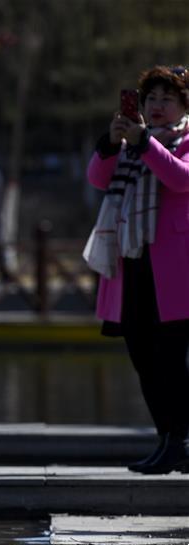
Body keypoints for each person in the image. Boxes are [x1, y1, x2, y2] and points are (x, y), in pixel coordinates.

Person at [84, 65, 189, 474]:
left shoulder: (180, 140)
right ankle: (169, 439)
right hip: (133, 261)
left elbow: (180, 179)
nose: (157, 106)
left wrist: (144, 142)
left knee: (170, 357)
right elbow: (98, 179)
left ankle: (179, 440)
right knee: (143, 355)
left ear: (183, 104)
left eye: (167, 98)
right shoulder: (134, 142)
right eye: (150, 99)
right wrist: (112, 144)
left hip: (176, 267)